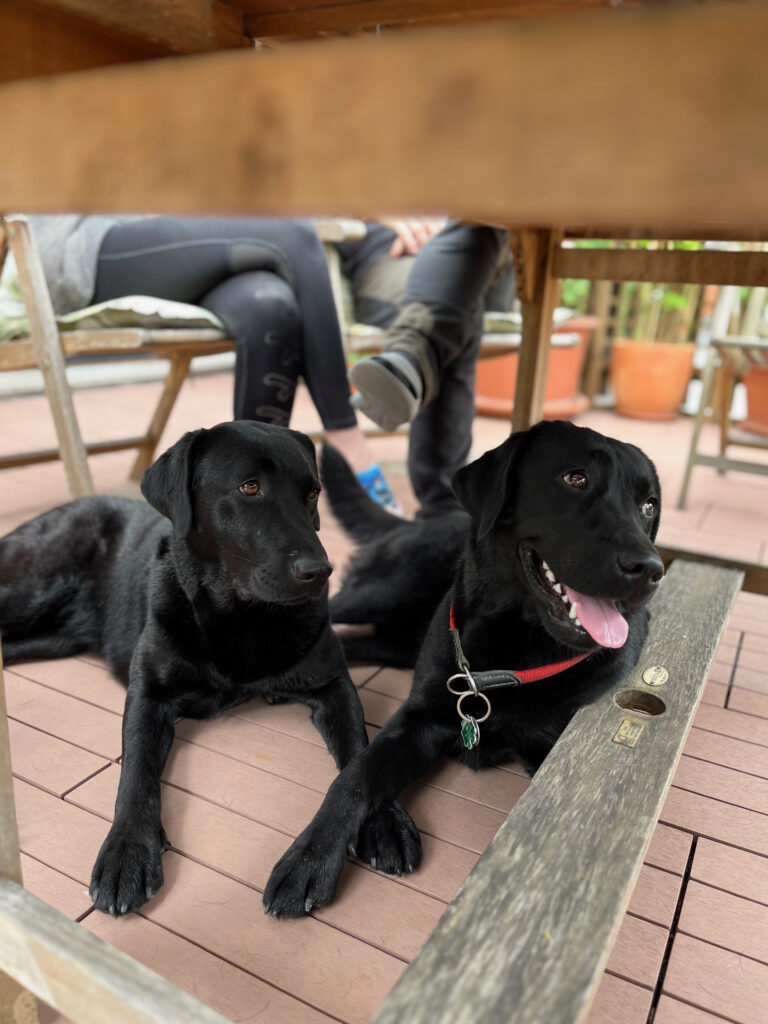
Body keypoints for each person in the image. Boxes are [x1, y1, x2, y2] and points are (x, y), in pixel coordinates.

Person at [26, 214, 400, 509]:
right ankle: (346, 440)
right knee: (297, 234)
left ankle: (258, 490)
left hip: (199, 247)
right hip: (93, 244)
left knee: (270, 305)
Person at [337, 219, 514, 516]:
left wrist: (455, 219)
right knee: (458, 306)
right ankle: (445, 507)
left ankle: (408, 358)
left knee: (479, 222)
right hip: (394, 261)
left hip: (486, 252)